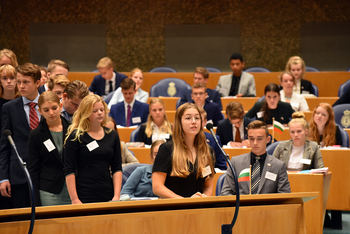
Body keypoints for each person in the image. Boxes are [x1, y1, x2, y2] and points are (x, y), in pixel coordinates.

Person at [64, 95, 122, 204]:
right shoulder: (76, 136)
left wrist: (116, 196)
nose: (99, 113)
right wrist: (75, 199)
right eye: (95, 111)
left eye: (101, 110)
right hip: (84, 194)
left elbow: (117, 168)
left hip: (107, 192)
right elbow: (69, 170)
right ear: (86, 113)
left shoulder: (112, 135)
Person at [0, 63, 41, 208]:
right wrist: (3, 177)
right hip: (19, 175)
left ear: (37, 83)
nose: (21, 86)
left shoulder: (47, 104)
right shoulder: (9, 108)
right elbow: (4, 146)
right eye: (19, 82)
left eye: (26, 82)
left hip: (46, 174)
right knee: (21, 221)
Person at [152, 103, 215, 198]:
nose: (194, 122)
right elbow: (157, 187)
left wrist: (204, 199)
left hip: (199, 207)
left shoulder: (207, 151)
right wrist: (186, 202)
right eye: (188, 118)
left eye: (197, 118)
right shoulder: (167, 149)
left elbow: (208, 185)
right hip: (173, 208)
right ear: (179, 122)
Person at [221, 120, 291, 195]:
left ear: (268, 139)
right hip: (242, 206)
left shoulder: (278, 166)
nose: (255, 143)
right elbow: (226, 192)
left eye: (259, 139)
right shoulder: (236, 162)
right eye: (251, 139)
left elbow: (284, 195)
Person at [28, 91, 71, 206]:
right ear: (40, 111)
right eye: (46, 110)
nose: (51, 113)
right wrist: (35, 198)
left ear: (60, 106)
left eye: (54, 108)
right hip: (49, 191)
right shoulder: (36, 135)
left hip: (74, 188)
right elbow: (33, 169)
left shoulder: (73, 129)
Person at [0, 65, 19, 209]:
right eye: (5, 78)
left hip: (16, 154)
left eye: (12, 78)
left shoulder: (22, 102)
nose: (9, 82)